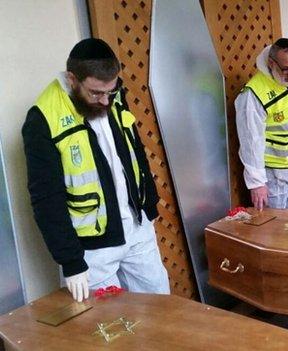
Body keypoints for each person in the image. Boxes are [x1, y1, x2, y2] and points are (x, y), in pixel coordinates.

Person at [22, 38, 170, 302]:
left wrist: (150, 206)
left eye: (110, 92)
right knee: (111, 329)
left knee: (161, 307)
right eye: (95, 93)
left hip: (137, 232)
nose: (105, 102)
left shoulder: (112, 96)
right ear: (72, 79)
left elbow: (135, 152)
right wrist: (71, 261)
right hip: (93, 248)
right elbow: (46, 199)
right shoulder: (42, 119)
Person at [235, 38, 288, 210]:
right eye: (286, 69)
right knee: (275, 227)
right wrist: (257, 183)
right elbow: (251, 141)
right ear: (271, 63)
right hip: (273, 173)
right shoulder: (254, 94)